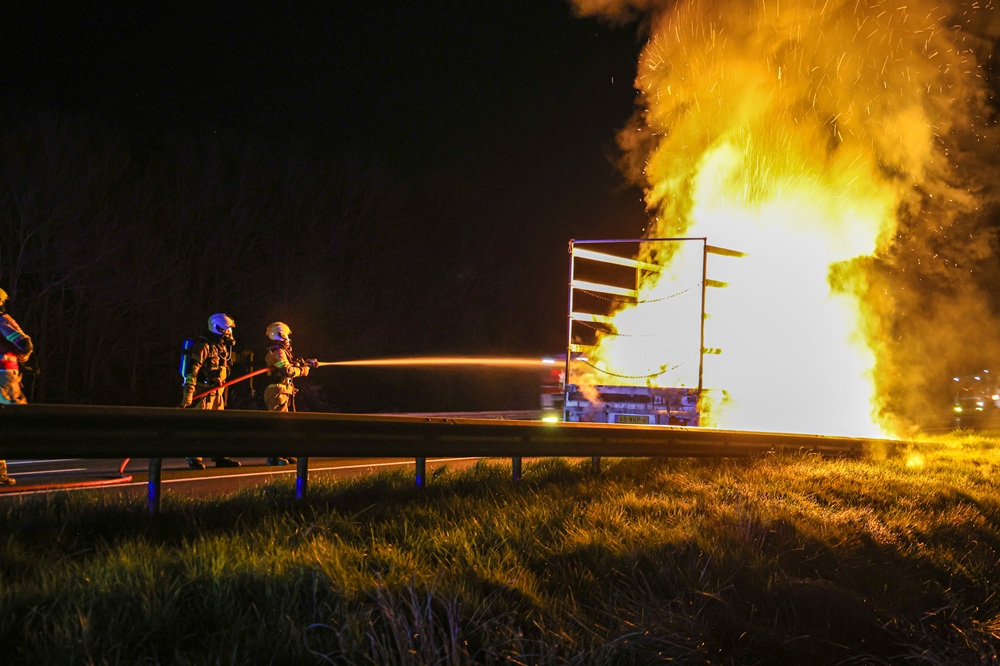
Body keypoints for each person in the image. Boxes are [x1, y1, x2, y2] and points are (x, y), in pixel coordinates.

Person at [180, 313, 241, 470]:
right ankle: (194, 457)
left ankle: (220, 456)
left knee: (220, 426)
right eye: (227, 330)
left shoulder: (221, 347)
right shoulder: (203, 346)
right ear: (218, 328)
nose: (229, 333)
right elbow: (192, 371)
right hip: (203, 393)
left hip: (217, 393)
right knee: (199, 426)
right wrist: (188, 394)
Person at [262, 321, 317, 465]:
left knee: (285, 425)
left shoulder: (280, 351)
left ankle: (283, 453)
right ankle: (274, 457)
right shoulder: (277, 352)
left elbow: (290, 365)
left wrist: (305, 363)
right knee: (278, 425)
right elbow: (286, 371)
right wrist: (303, 371)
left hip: (283, 390)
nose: (288, 339)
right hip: (277, 391)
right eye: (286, 336)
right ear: (280, 335)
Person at [0, 287, 34, 485]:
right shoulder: (3, 320)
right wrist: (23, 357)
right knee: (16, 422)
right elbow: (25, 344)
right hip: (4, 378)